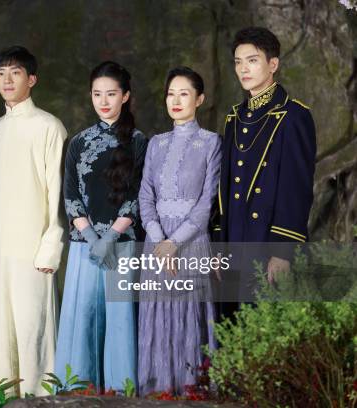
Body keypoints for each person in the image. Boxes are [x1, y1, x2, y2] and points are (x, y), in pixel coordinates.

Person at [0, 45, 67, 396]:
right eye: (1, 73)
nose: (6, 79)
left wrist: (51, 246)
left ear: (32, 79)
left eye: (15, 72)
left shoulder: (48, 126)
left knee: (34, 330)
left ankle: (40, 399)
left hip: (33, 248)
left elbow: (56, 192)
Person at [55, 61, 147, 391]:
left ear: (125, 96)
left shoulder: (138, 142)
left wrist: (110, 236)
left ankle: (121, 390)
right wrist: (93, 237)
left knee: (121, 319)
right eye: (97, 94)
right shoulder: (78, 142)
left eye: (111, 93)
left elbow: (137, 195)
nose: (103, 100)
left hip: (122, 245)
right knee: (82, 317)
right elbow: (70, 194)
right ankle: (77, 389)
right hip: (84, 247)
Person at [214, 27, 316, 307]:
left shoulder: (293, 116)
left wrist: (282, 251)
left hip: (266, 242)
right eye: (238, 62)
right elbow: (225, 189)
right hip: (234, 239)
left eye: (252, 60)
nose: (243, 69)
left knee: (263, 329)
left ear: (273, 64)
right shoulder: (234, 118)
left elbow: (297, 189)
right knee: (232, 329)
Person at [138, 67, 220, 396]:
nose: (176, 100)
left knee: (190, 317)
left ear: (199, 99)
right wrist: (159, 241)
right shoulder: (156, 144)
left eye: (184, 93)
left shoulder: (211, 142)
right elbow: (145, 196)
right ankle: (157, 393)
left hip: (192, 243)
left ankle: (193, 394)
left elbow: (207, 202)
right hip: (156, 247)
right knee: (157, 318)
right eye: (171, 93)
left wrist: (175, 242)